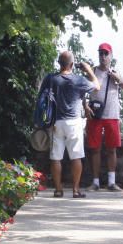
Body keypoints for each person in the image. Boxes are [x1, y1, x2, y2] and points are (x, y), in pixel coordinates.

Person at [44, 50, 100, 198]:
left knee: (56, 157)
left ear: (59, 63)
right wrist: (89, 70)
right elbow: (97, 86)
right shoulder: (78, 80)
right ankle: (75, 190)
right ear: (72, 64)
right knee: (76, 157)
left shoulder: (52, 79)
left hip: (56, 122)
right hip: (74, 122)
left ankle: (58, 190)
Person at [86, 42, 123, 191]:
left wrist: (118, 78)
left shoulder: (115, 73)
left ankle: (112, 182)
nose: (103, 56)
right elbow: (82, 90)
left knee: (112, 149)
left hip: (112, 115)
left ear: (111, 56)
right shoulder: (92, 72)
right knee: (95, 149)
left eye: (106, 53)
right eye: (101, 53)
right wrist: (85, 106)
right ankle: (96, 182)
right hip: (95, 115)